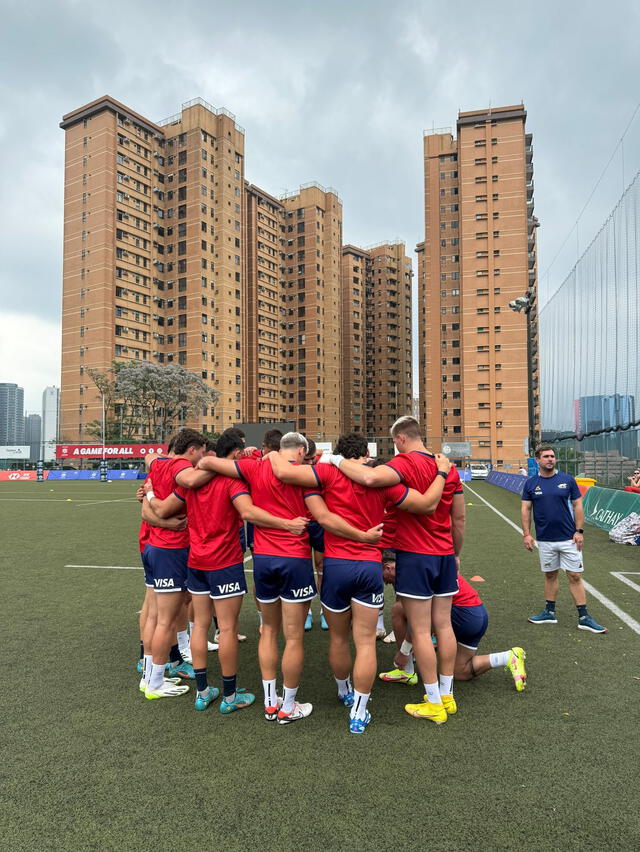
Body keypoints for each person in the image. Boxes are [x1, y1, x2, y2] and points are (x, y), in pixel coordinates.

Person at [269, 432, 453, 733]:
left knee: (339, 639)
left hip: (336, 566)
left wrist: (269, 454)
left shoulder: (326, 472)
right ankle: (359, 711)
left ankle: (344, 692)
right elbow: (425, 505)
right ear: (366, 452)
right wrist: (442, 473)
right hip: (369, 566)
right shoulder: (381, 479)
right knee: (366, 642)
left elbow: (284, 471)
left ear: (339, 451)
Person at [146, 431, 308, 714]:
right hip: (225, 563)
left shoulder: (191, 480)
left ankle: (202, 690)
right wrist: (287, 524)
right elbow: (248, 513)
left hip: (196, 561)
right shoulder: (231, 481)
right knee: (228, 629)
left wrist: (147, 491)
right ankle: (230, 695)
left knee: (200, 626)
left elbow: (161, 508)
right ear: (233, 455)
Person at [327, 416, 464, 724]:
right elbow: (459, 520)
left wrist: (335, 460)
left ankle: (432, 702)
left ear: (400, 439)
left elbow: (371, 479)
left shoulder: (405, 463)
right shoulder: (448, 466)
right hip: (443, 554)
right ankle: (447, 695)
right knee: (443, 626)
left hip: (416, 554)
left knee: (419, 630)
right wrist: (455, 554)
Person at [198, 432, 315, 724]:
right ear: (300, 451)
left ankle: (269, 702)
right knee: (294, 637)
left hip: (263, 559)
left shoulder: (254, 467)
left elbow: (210, 464)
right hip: (295, 557)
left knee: (269, 631)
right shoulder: (307, 473)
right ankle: (287, 707)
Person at [378, 556, 527, 691]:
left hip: (464, 614)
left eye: (383, 577)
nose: (385, 583)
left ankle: (407, 672)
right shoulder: (426, 563)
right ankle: (507, 657)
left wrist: (404, 652)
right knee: (460, 672)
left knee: (399, 609)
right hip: (478, 615)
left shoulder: (413, 573)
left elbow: (422, 620)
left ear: (388, 567)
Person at [140, 429, 210, 699]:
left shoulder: (159, 463)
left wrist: (148, 495)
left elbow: (150, 457)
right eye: (202, 453)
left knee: (157, 617)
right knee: (165, 621)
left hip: (155, 547)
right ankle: (155, 682)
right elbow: (186, 485)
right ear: (192, 449)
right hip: (170, 549)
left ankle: (149, 678)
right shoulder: (181, 465)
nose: (202, 458)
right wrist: (219, 467)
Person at [522, 444, 607, 633]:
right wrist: (527, 534)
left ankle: (584, 617)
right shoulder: (530, 484)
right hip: (544, 539)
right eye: (546, 456)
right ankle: (549, 612)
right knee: (550, 575)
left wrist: (579, 531)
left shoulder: (567, 480)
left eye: (552, 456)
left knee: (575, 576)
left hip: (569, 538)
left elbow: (578, 505)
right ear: (538, 460)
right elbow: (526, 509)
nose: (550, 459)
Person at [302, 438, 328, 632]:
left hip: (319, 524)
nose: (311, 462)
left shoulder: (321, 462)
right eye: (307, 459)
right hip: (300, 523)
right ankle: (307, 612)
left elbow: (319, 452)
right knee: (303, 568)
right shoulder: (292, 467)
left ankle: (325, 611)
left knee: (321, 566)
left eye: (313, 459)